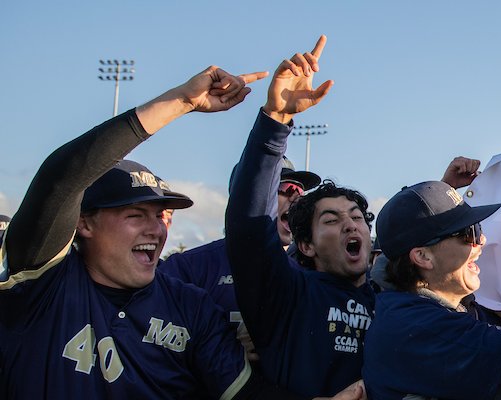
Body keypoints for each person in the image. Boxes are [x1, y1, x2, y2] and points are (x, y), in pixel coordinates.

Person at [0, 63, 360, 399]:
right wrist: (181, 101)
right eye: (136, 214)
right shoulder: (44, 281)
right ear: (84, 222)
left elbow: (245, 394)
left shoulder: (189, 306)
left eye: (161, 215)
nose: (156, 229)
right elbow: (60, 179)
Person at [224, 35, 373, 398]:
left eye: (356, 217)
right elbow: (248, 228)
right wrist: (276, 120)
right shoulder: (287, 295)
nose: (351, 224)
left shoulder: (391, 304)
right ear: (305, 245)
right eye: (332, 220)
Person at [363, 180, 501, 399]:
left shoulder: (408, 307)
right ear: (422, 256)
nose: (482, 240)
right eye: (468, 233)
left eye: (479, 228)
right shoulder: (422, 329)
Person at [159, 156, 319, 360]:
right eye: (286, 188)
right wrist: (223, 351)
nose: (297, 199)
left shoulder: (303, 276)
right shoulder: (188, 267)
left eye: (300, 192)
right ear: (247, 195)